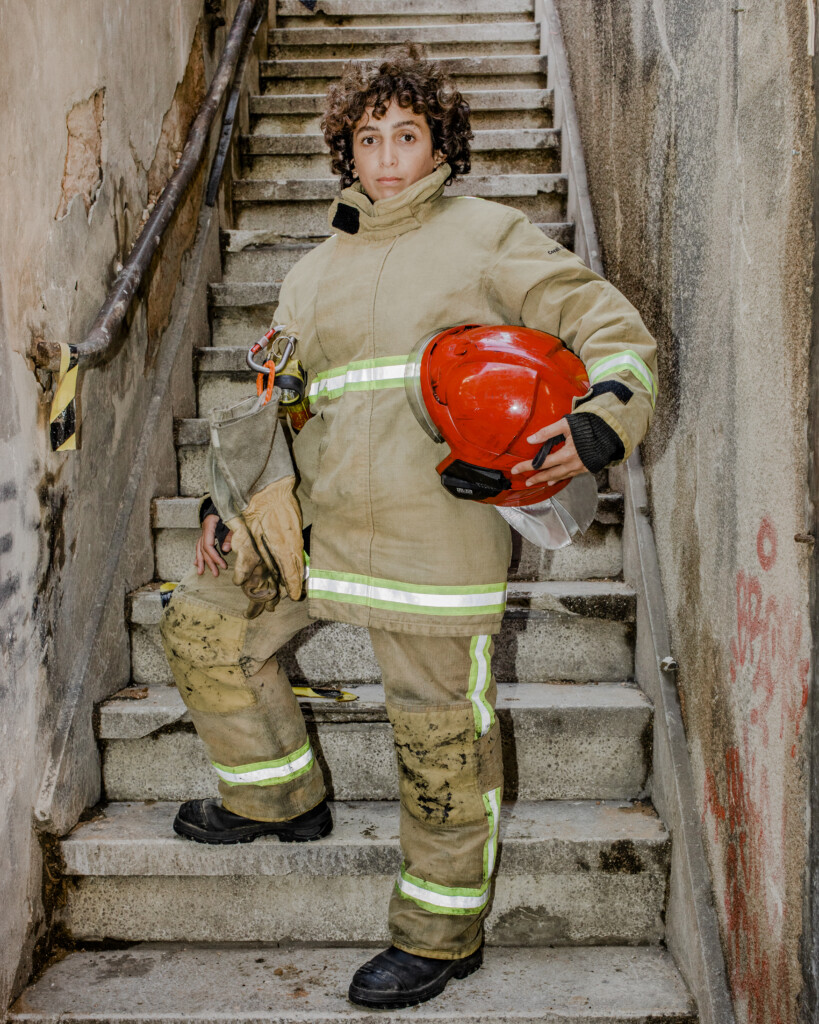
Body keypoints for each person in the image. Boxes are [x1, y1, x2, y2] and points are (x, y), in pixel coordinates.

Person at [159, 45, 657, 1010]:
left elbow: (609, 326)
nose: (386, 157)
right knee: (203, 625)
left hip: (433, 533)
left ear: (440, 146)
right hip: (310, 524)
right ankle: (277, 798)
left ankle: (439, 934)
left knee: (439, 742)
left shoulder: (487, 236)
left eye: (407, 135)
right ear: (345, 150)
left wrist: (603, 417)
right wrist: (230, 501)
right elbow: (276, 402)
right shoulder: (310, 273)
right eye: (368, 138)